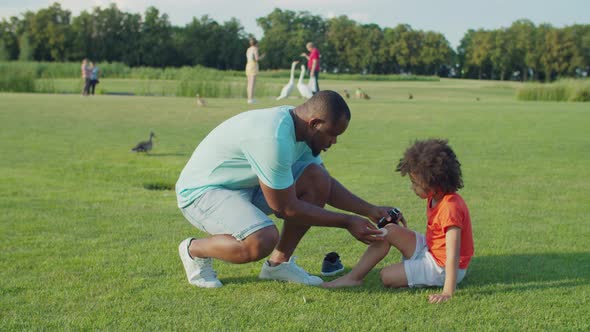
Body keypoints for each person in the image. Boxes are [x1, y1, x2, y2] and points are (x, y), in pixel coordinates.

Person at [176, 90, 395, 288]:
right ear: (315, 123)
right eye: (331, 133)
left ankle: (278, 265)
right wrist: (347, 221)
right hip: (202, 193)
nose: (334, 141)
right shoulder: (274, 137)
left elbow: (325, 186)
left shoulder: (302, 129)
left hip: (244, 185)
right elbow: (285, 207)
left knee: (317, 178)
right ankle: (194, 250)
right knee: (261, 239)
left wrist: (371, 210)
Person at [322, 139, 474, 304]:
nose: (412, 187)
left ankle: (422, 278)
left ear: (433, 183)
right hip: (431, 250)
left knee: (386, 276)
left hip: (443, 267)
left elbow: (453, 254)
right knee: (389, 231)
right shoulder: (435, 196)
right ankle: (353, 278)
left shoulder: (451, 208)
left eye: (415, 184)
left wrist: (447, 292)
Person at [245, 37, 264, 104]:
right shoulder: (255, 49)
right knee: (252, 83)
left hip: (248, 65)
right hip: (253, 65)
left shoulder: (248, 49)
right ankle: (251, 99)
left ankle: (249, 98)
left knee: (249, 83)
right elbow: (256, 59)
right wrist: (262, 56)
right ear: (256, 43)